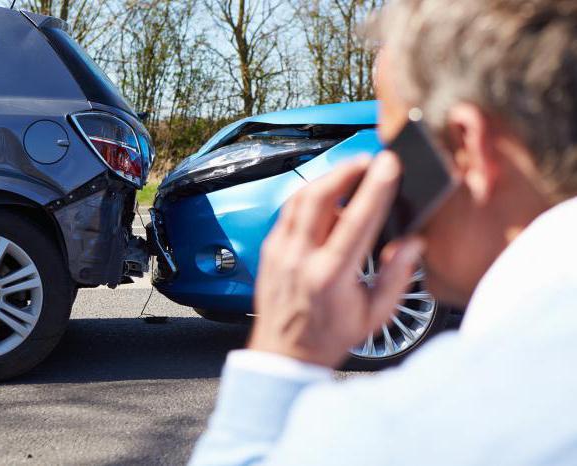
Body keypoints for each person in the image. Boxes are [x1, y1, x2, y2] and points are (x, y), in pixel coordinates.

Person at [189, 0, 577, 464]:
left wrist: (282, 353)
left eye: (398, 151)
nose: (388, 182)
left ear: (466, 148)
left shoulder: (430, 423)